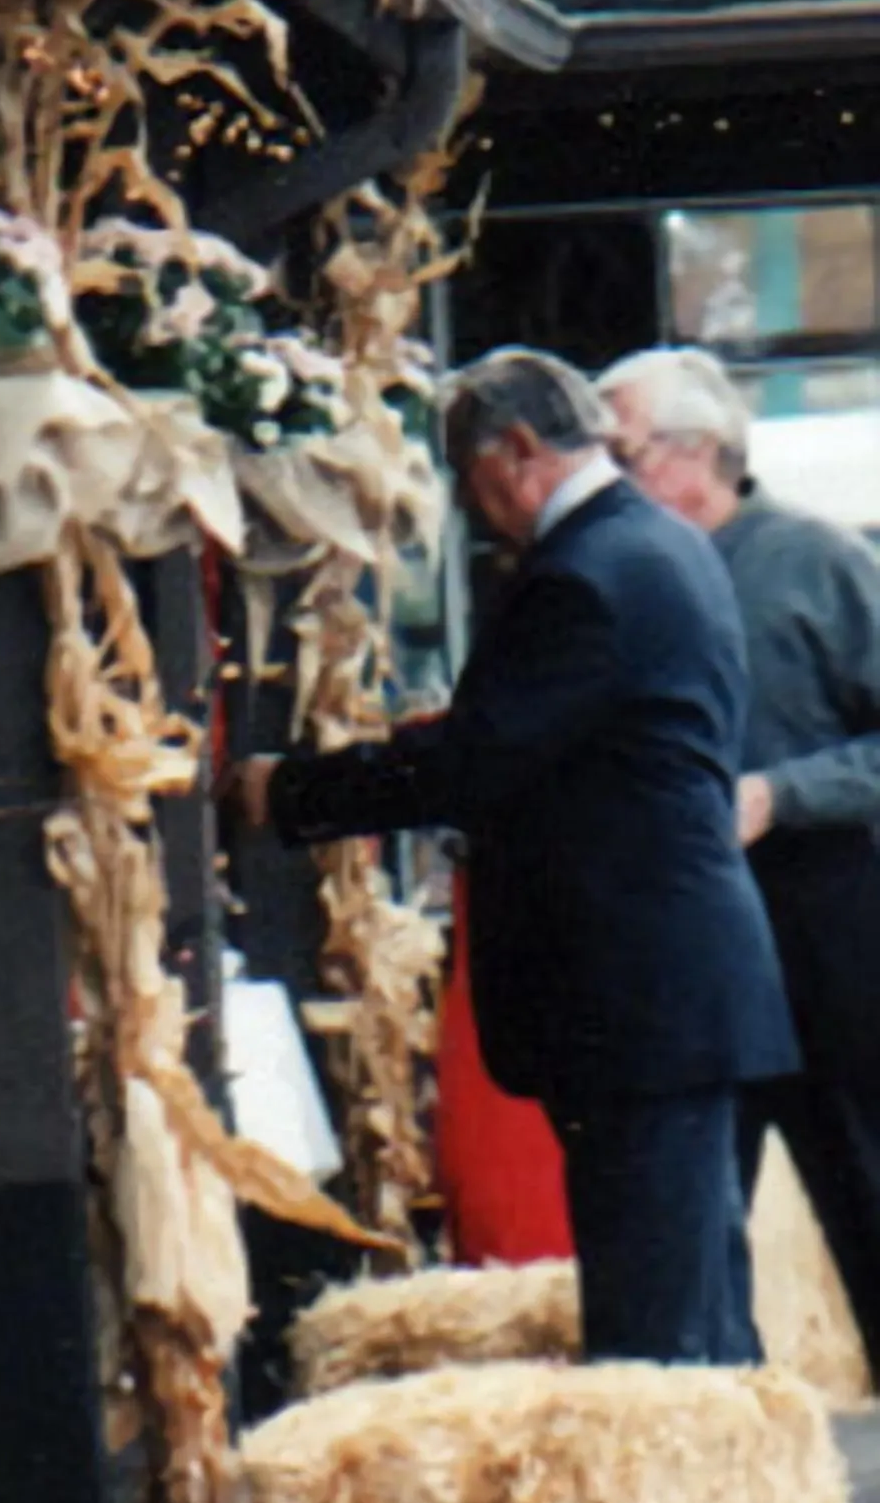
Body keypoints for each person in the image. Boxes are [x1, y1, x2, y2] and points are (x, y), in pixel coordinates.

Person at [230, 347, 794, 1365]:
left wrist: (293, 792)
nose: (478, 509)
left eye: (474, 480)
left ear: (519, 450)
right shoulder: (660, 545)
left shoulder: (586, 573)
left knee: (656, 1320)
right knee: (695, 1299)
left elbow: (475, 760)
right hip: (673, 981)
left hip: (639, 989)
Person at [598, 345, 880, 1373]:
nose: (601, 478)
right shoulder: (616, 577)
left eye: (617, 452)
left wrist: (781, 794)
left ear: (696, 455)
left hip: (826, 928)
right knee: (691, 1212)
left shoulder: (815, 560)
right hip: (683, 942)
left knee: (862, 1180)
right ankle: (727, 1441)